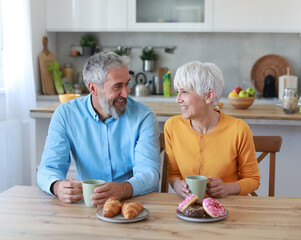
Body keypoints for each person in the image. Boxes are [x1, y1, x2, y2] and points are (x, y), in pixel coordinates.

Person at [37, 51, 160, 206]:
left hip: (134, 204)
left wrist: (124, 189)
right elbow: (48, 168)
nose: (126, 93)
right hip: (89, 204)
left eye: (127, 83)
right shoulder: (65, 115)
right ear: (93, 89)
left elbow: (150, 173)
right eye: (118, 87)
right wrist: (57, 186)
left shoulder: (144, 116)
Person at [164, 61, 260, 199]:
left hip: (231, 209)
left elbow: (253, 180)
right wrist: (177, 185)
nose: (178, 99)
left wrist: (228, 188)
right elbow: (174, 173)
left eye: (184, 92)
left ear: (209, 96)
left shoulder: (239, 129)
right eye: (178, 92)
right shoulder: (172, 127)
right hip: (188, 210)